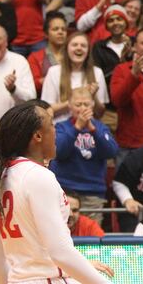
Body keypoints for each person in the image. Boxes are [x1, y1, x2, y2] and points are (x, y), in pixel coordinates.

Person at [0, 102, 114, 283]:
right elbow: (60, 253)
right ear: (38, 136)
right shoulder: (38, 176)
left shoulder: (1, 177)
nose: (56, 130)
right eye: (52, 124)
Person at [49, 86, 118, 225]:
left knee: (91, 236)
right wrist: (77, 128)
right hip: (65, 189)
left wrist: (93, 130)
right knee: (62, 232)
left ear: (92, 105)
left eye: (86, 104)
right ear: (69, 106)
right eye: (78, 104)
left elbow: (111, 151)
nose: (82, 108)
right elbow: (59, 152)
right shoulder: (61, 127)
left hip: (92, 191)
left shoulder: (101, 127)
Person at [41, 32, 108, 123]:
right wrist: (74, 101)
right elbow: (47, 110)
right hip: (61, 129)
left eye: (83, 46)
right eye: (74, 45)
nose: (79, 48)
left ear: (88, 51)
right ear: (67, 49)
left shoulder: (97, 72)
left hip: (88, 130)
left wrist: (93, 97)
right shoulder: (53, 72)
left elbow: (100, 113)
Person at [91, 5, 133, 87]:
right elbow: (98, 75)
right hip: (108, 90)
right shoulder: (99, 47)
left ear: (126, 22)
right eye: (111, 20)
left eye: (119, 19)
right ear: (106, 26)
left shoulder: (136, 43)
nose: (115, 23)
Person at [27, 10, 66, 93]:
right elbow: (32, 84)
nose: (60, 32)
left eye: (63, 29)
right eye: (55, 29)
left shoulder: (73, 55)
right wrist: (53, 80)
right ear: (46, 34)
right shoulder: (35, 57)